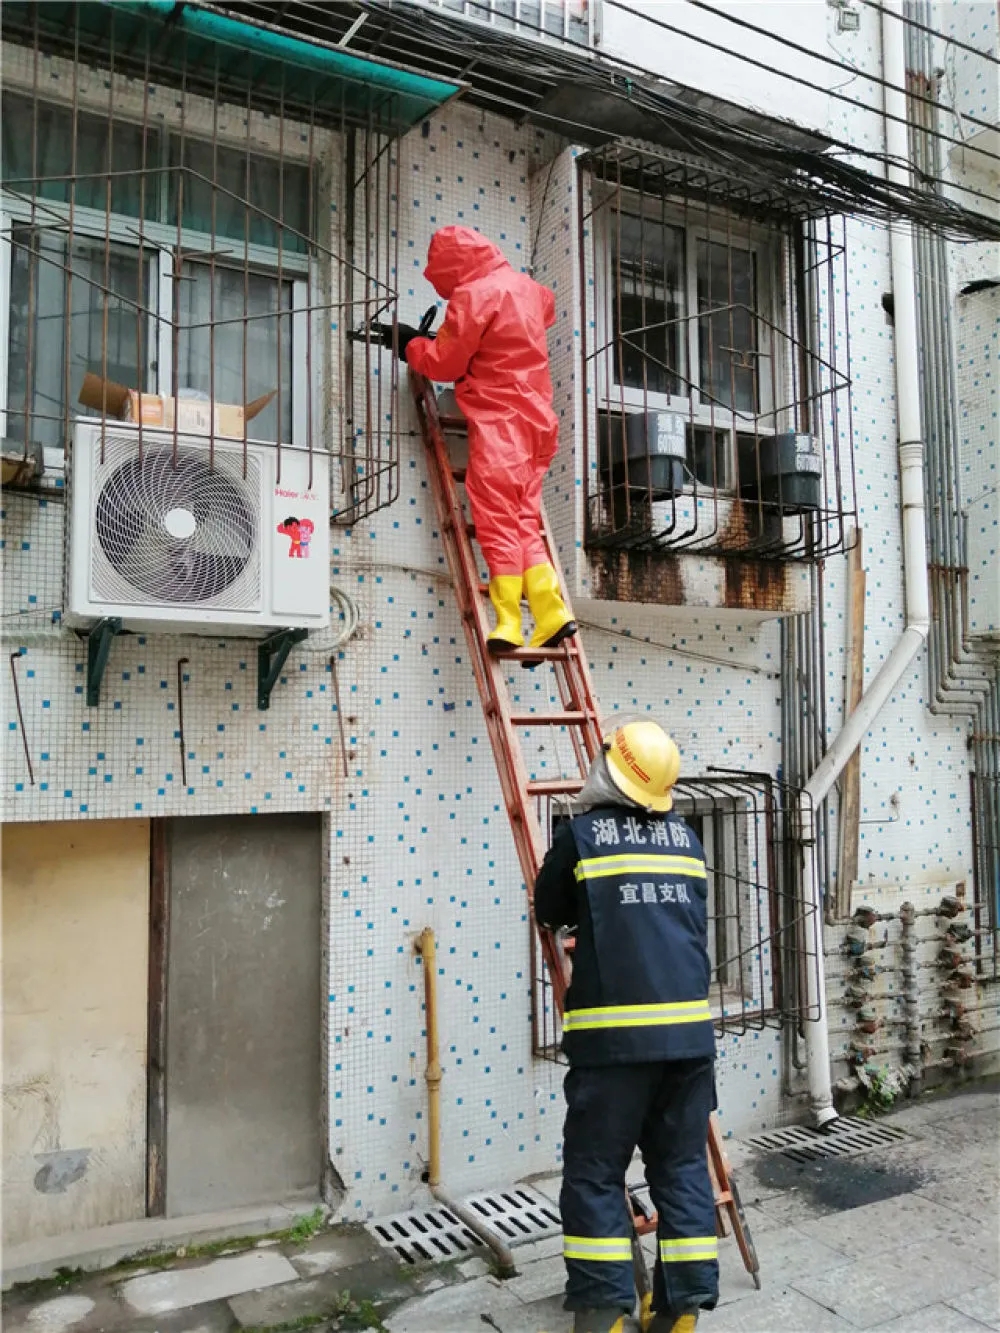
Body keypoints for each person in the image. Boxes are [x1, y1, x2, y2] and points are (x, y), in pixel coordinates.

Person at [534, 720, 719, 1333]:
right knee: (683, 1170)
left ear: (608, 770)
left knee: (593, 1173)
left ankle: (604, 1314)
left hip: (613, 1048)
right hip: (690, 1042)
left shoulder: (582, 836)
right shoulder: (688, 839)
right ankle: (680, 1313)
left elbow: (550, 910)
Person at [371, 225, 576, 655]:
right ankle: (551, 612)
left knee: (495, 519)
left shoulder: (475, 295)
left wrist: (411, 345)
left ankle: (507, 622)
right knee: (522, 521)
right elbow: (519, 330)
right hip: (537, 423)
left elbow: (445, 363)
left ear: (453, 267)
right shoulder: (529, 290)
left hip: (500, 425)